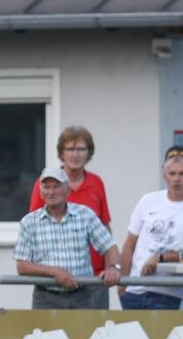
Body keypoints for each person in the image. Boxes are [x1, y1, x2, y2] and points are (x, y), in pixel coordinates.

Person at [29, 126, 111, 308]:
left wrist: (110, 267)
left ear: (88, 153)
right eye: (70, 149)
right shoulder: (46, 184)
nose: (75, 155)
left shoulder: (96, 183)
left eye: (81, 149)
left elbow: (105, 227)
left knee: (92, 333)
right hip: (54, 283)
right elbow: (34, 228)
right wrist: (46, 271)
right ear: (62, 153)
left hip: (94, 278)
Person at [15, 167, 121, 309]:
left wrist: (112, 267)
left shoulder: (85, 215)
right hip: (45, 298)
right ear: (40, 193)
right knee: (45, 332)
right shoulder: (29, 222)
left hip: (82, 295)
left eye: (56, 186)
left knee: (84, 332)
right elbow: (22, 266)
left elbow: (109, 246)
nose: (51, 192)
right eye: (46, 187)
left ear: (67, 190)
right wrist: (55, 272)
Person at [119, 147, 183, 309]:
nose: (177, 179)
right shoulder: (148, 200)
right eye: (172, 174)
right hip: (134, 290)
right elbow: (129, 245)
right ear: (164, 175)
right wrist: (123, 285)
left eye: (182, 174)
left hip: (168, 294)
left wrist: (161, 258)